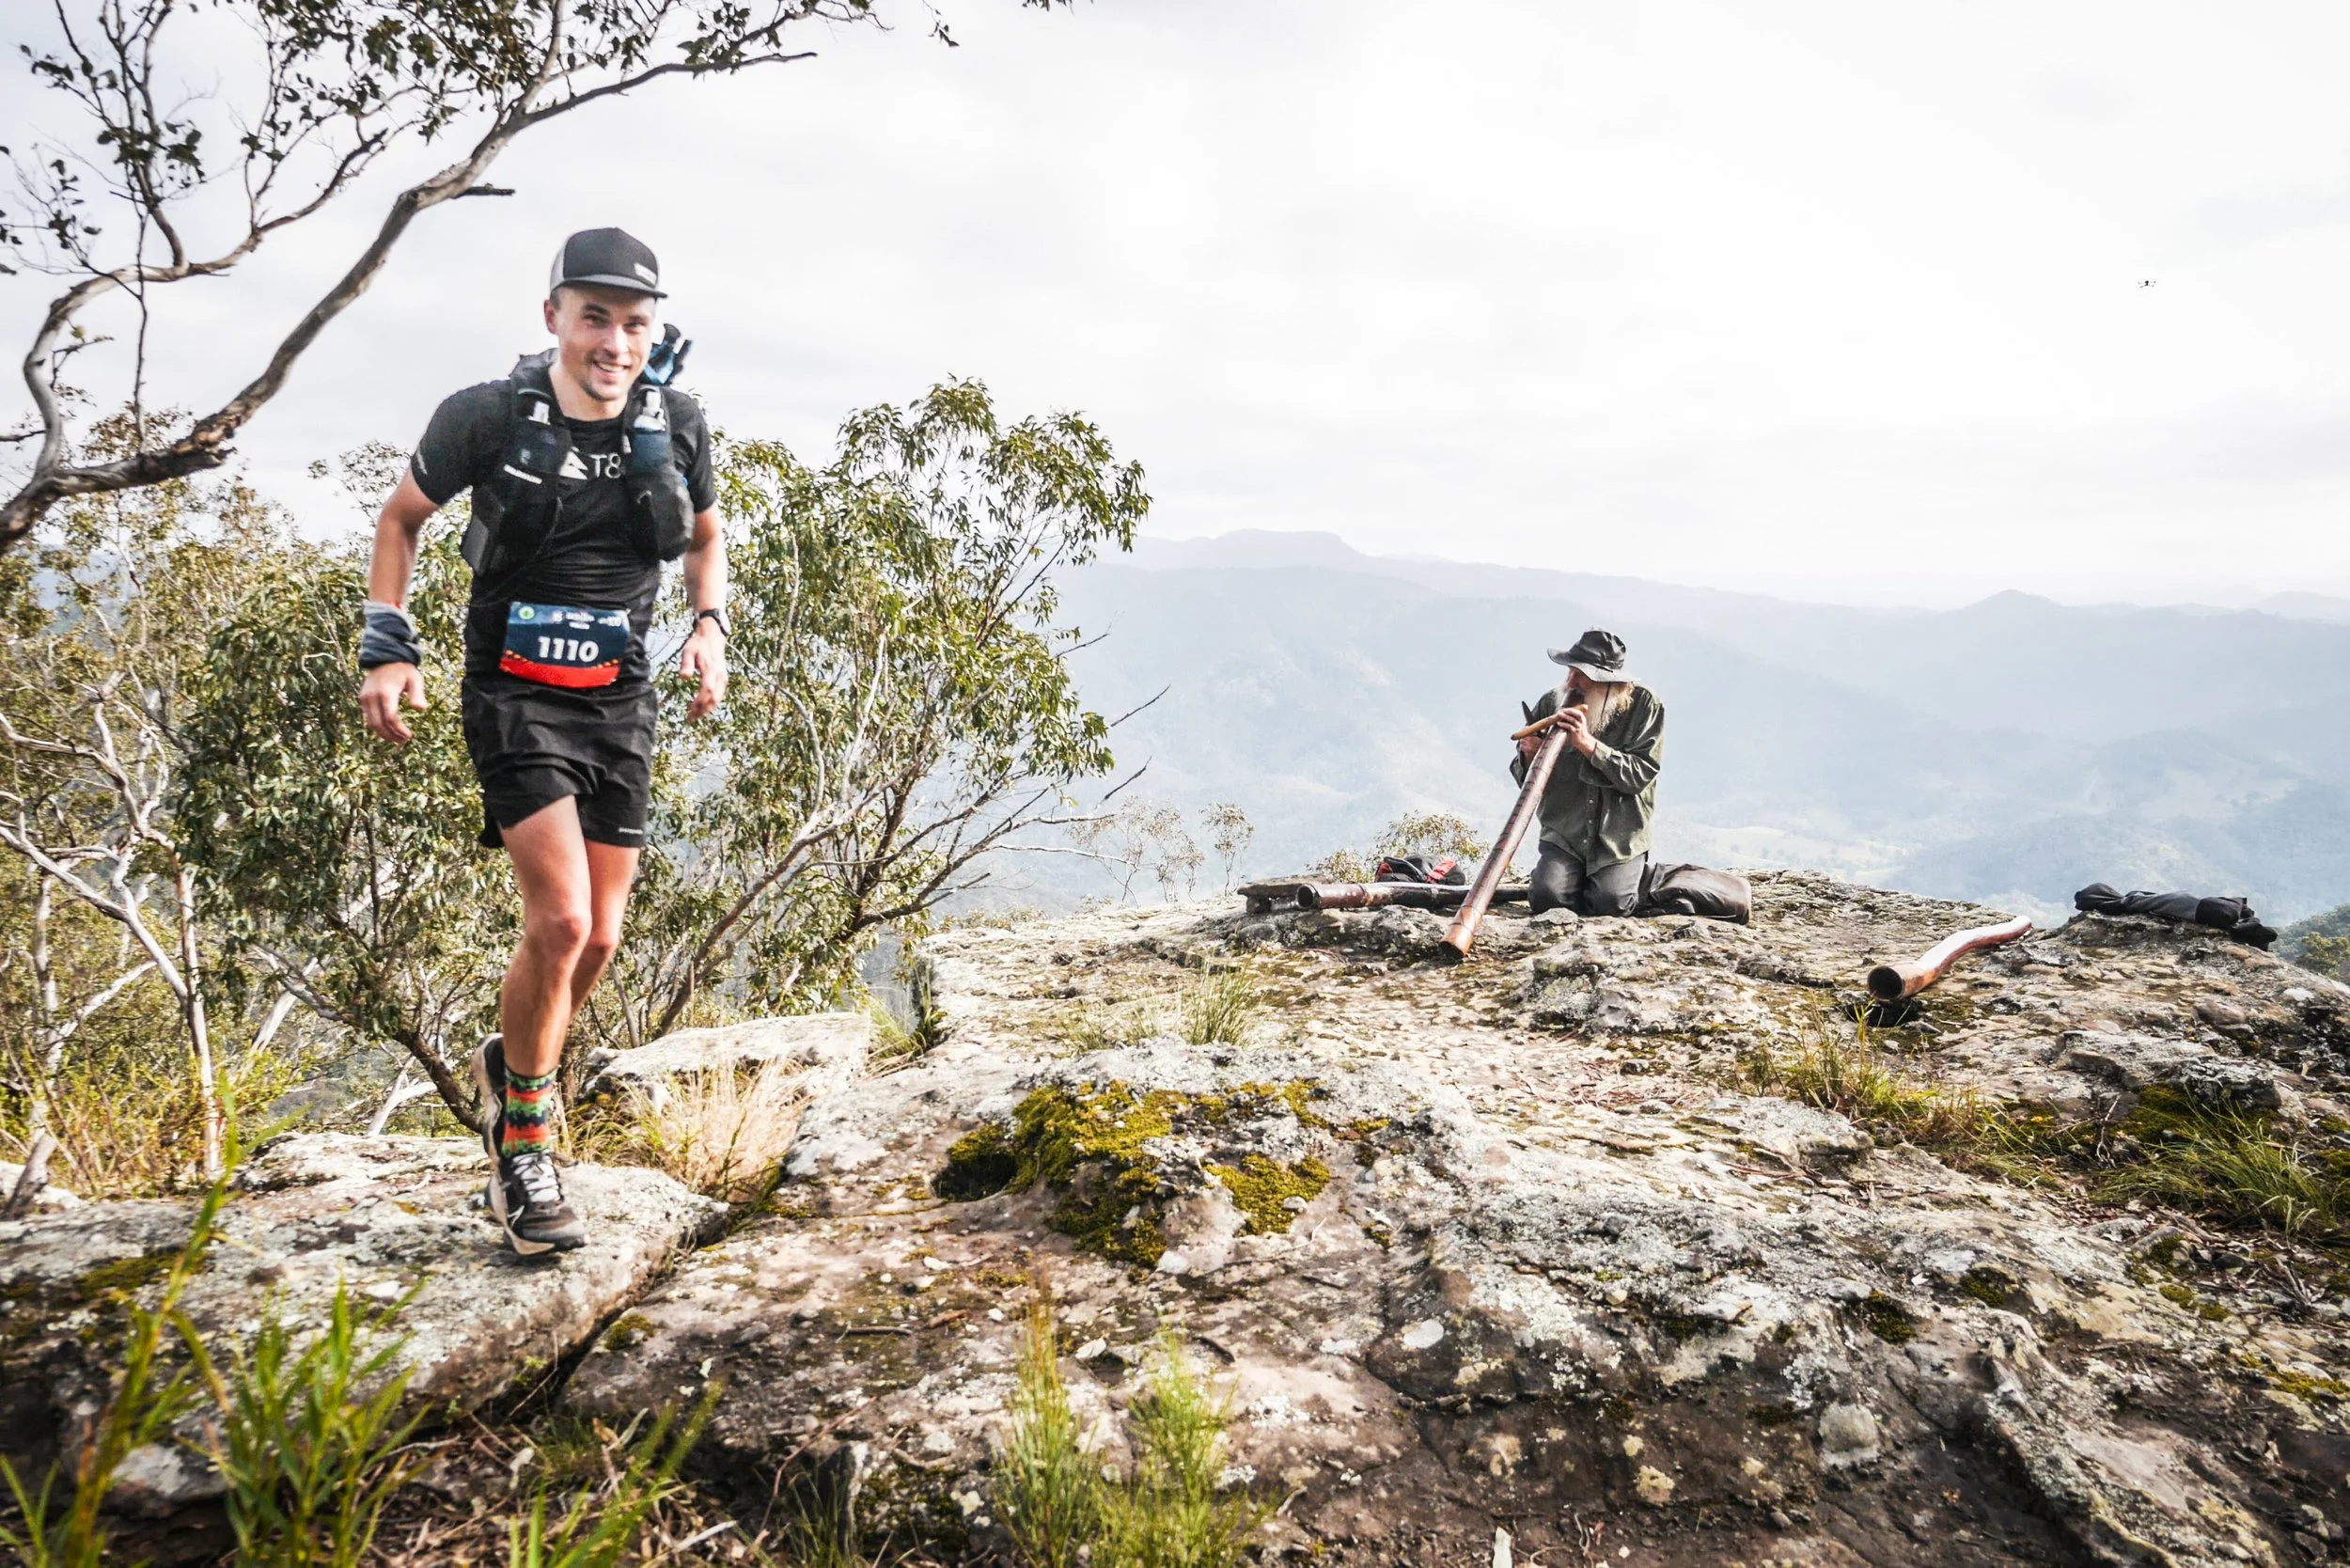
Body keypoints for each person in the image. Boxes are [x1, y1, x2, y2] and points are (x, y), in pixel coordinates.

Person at [356, 227, 728, 1255]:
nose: (614, 340)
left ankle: (510, 1061)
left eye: (634, 323)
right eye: (595, 316)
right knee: (560, 924)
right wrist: (388, 646)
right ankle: (525, 1141)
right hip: (514, 694)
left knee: (599, 940)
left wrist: (708, 627)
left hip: (620, 698)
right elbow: (401, 519)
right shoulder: (484, 417)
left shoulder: (678, 420)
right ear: (554, 315)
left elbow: (705, 534)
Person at [1511, 629, 1665, 917]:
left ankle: (1640, 878)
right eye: (1571, 670)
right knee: (1546, 899)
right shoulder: (1551, 702)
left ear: (1607, 682)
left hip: (1618, 839)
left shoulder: (1645, 707)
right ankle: (1568, 877)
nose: (1571, 681)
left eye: (1581, 674)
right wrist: (1529, 753)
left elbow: (1639, 775)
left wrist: (1587, 744)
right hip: (1565, 834)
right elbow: (1525, 783)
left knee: (1610, 905)